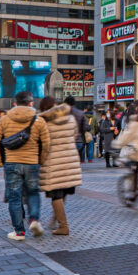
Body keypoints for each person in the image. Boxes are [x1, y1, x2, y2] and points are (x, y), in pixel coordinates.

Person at [0, 91, 51, 242]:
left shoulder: (4, 120)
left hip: (11, 163)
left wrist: (0, 161)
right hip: (32, 162)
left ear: (15, 104)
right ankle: (34, 220)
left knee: (14, 197)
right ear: (31, 103)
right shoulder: (39, 120)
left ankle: (19, 232)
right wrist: (41, 160)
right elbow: (46, 143)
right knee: (32, 193)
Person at [36, 96, 82, 236]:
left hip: (53, 161)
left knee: (55, 194)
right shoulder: (70, 118)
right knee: (63, 190)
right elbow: (74, 135)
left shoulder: (43, 122)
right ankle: (57, 218)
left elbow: (42, 141)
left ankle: (63, 226)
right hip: (70, 159)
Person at [63, 96, 90, 163]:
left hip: (66, 141)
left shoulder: (63, 113)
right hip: (79, 140)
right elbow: (87, 127)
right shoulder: (81, 113)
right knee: (76, 161)